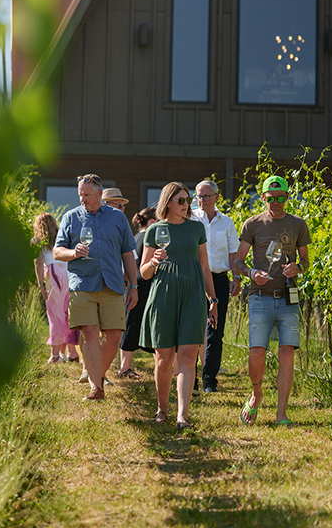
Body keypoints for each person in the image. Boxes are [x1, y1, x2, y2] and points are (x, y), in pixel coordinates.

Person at [139, 182, 218, 429]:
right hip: (163, 294)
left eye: (188, 200)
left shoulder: (196, 229)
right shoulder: (155, 231)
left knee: (188, 355)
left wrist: (213, 300)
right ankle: (162, 409)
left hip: (192, 294)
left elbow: (205, 267)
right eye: (181, 200)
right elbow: (144, 274)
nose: (187, 205)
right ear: (168, 203)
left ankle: (182, 415)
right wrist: (153, 261)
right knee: (163, 358)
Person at [53, 174, 138, 401]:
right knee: (89, 332)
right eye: (80, 195)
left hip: (112, 283)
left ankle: (96, 375)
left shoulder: (118, 219)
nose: (83, 199)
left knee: (113, 334)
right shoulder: (71, 217)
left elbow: (128, 253)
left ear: (100, 194)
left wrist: (134, 285)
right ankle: (96, 387)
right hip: (82, 283)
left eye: (87, 195)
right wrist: (73, 253)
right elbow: (57, 252)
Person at [234, 175, 310, 427]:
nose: (275, 202)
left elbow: (306, 262)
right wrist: (252, 273)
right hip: (260, 296)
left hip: (289, 297)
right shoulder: (252, 224)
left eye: (280, 198)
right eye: (270, 198)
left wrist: (296, 268)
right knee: (257, 353)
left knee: (287, 353)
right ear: (263, 197)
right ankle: (256, 394)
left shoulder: (298, 225)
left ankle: (281, 414)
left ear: (287, 197)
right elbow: (238, 261)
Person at [191, 180, 240, 393]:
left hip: (219, 279)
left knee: (215, 330)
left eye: (206, 196)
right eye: (199, 196)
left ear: (216, 197)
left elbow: (233, 254)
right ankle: (189, 378)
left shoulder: (227, 223)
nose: (202, 200)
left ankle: (209, 378)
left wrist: (236, 278)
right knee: (191, 329)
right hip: (194, 278)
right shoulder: (190, 218)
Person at [32, 212, 80, 364]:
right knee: (67, 312)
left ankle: (55, 355)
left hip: (53, 275)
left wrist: (40, 284)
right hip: (67, 272)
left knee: (54, 314)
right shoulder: (62, 237)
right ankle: (69, 352)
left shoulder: (37, 241)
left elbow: (39, 262)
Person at [117, 206, 157, 377]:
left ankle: (125, 367)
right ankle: (125, 369)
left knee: (131, 323)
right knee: (140, 324)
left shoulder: (134, 237)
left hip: (133, 284)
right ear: (153, 222)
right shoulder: (151, 237)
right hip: (144, 284)